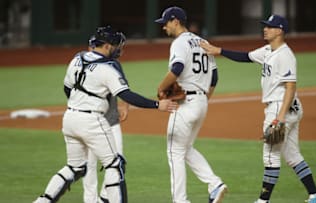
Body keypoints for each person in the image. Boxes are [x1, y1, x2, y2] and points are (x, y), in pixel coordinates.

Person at [33, 25, 177, 203]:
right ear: (108, 46)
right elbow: (126, 95)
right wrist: (157, 105)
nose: (118, 49)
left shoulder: (77, 59)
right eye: (116, 45)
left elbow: (67, 88)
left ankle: (42, 201)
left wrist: (81, 103)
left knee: (74, 168)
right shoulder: (107, 68)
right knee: (115, 165)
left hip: (69, 118)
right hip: (92, 121)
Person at [200, 15, 316, 203]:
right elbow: (246, 57)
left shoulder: (285, 55)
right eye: (265, 26)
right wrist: (218, 50)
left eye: (270, 27)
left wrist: (280, 118)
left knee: (270, 157)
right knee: (292, 155)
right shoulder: (268, 50)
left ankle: (262, 201)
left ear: (280, 30)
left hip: (279, 108)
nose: (265, 29)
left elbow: (290, 87)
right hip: (288, 109)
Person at [155, 6, 227, 203]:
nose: (164, 28)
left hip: (185, 105)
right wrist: (203, 99)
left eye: (166, 23)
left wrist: (161, 88)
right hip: (201, 102)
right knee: (185, 148)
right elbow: (214, 77)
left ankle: (181, 200)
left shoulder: (179, 43)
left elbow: (177, 68)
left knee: (174, 152)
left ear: (176, 21)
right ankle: (215, 184)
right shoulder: (203, 42)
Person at [82, 35, 129, 203]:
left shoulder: (113, 65)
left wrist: (125, 105)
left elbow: (124, 86)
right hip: (91, 123)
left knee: (118, 162)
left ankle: (104, 197)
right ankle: (90, 200)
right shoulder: (82, 65)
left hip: (112, 121)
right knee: (90, 164)